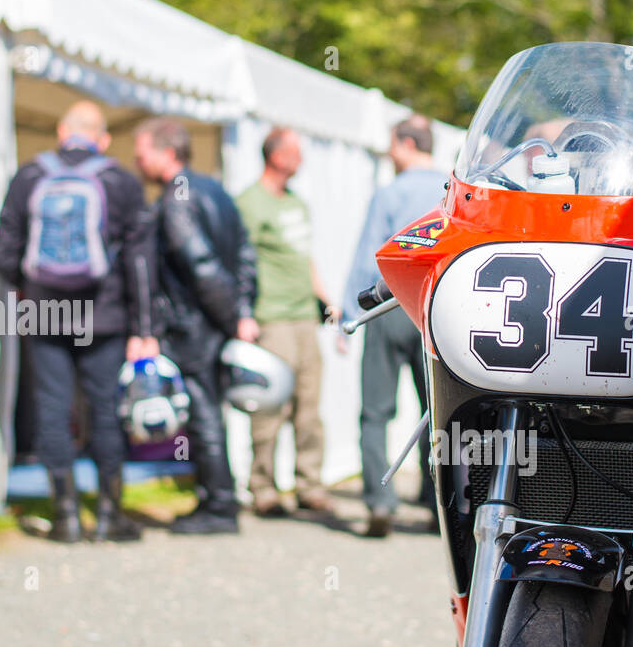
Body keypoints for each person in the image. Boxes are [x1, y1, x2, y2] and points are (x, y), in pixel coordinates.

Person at [0, 99, 155, 543]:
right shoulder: (118, 179)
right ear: (102, 139)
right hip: (104, 313)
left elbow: (4, 252)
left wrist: (27, 291)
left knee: (52, 407)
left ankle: (63, 516)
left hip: (45, 312)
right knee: (105, 409)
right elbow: (140, 261)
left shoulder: (29, 176)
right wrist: (144, 328)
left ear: (62, 132)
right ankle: (108, 513)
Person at [133, 117, 257, 535]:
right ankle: (215, 498)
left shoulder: (177, 199)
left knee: (203, 415)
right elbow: (244, 256)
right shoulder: (216, 189)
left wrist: (232, 316)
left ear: (167, 152)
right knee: (209, 412)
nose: (137, 160)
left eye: (142, 151)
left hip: (196, 326)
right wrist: (241, 309)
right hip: (214, 321)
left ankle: (220, 506)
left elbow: (201, 265)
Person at [342, 116, 447, 538]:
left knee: (375, 412)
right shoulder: (451, 191)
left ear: (405, 144)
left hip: (387, 310)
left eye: (392, 145)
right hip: (432, 313)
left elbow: (368, 258)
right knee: (437, 411)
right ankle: (434, 502)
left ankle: (379, 503)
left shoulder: (389, 192)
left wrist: (348, 317)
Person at [237, 128, 336, 518]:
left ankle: (309, 484)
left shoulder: (297, 204)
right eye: (295, 152)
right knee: (269, 407)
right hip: (271, 318)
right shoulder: (249, 202)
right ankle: (263, 487)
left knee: (309, 407)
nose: (301, 159)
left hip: (303, 318)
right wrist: (244, 315)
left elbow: (304, 258)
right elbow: (240, 262)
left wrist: (324, 299)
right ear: (275, 155)